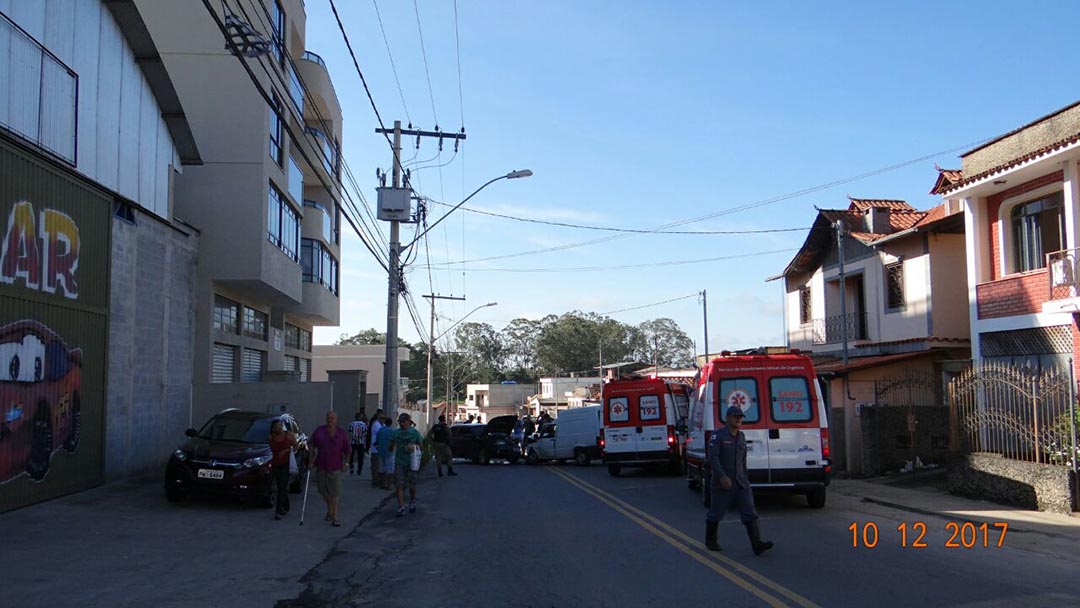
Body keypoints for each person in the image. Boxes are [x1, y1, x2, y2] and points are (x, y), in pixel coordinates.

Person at [705, 405, 773, 555]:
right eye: (735, 416)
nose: (738, 419)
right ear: (728, 418)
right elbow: (713, 458)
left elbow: (743, 461)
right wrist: (722, 476)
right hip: (722, 483)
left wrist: (745, 479)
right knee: (716, 513)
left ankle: (757, 544)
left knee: (749, 511)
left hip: (740, 482)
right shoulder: (718, 436)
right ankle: (711, 540)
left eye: (740, 417)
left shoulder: (741, 437)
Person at [309, 411, 351, 527]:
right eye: (328, 418)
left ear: (336, 420)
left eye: (332, 418)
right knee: (323, 491)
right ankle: (330, 509)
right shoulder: (319, 431)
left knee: (335, 492)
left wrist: (346, 463)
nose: (330, 420)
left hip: (335, 467)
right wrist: (310, 461)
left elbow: (348, 450)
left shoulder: (342, 433)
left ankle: (335, 516)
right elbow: (311, 445)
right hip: (321, 466)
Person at [389, 413, 424, 517]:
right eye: (400, 422)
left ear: (408, 421)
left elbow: (421, 446)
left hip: (411, 462)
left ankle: (412, 502)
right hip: (399, 462)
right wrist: (391, 445)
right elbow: (390, 448)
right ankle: (401, 507)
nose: (401, 424)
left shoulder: (414, 433)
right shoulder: (396, 433)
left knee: (412, 485)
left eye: (403, 422)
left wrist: (414, 446)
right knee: (399, 485)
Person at [268, 418, 298, 521]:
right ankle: (285, 506)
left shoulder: (288, 435)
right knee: (280, 487)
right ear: (273, 428)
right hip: (275, 464)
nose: (280, 428)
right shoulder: (271, 437)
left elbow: (296, 447)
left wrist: (286, 450)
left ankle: (278, 511)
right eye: (277, 427)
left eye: (281, 426)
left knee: (282, 485)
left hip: (285, 464)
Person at [375, 415, 396, 490]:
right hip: (389, 452)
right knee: (390, 469)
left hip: (380, 451)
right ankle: (389, 485)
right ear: (391, 423)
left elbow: (376, 441)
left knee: (381, 469)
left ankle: (382, 483)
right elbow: (394, 441)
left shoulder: (380, 430)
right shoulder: (392, 431)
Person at [348, 412, 368, 476]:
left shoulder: (352, 424)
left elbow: (350, 432)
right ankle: (359, 470)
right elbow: (365, 433)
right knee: (360, 456)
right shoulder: (363, 424)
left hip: (353, 442)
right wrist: (360, 438)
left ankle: (351, 467)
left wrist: (355, 438)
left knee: (351, 455)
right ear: (360, 417)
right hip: (361, 442)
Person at [368, 409, 385, 487]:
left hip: (381, 448)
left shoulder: (383, 425)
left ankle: (379, 480)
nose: (383, 419)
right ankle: (375, 481)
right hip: (375, 449)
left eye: (383, 418)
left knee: (380, 466)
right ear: (378, 416)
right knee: (375, 465)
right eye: (381, 418)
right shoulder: (376, 425)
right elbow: (381, 433)